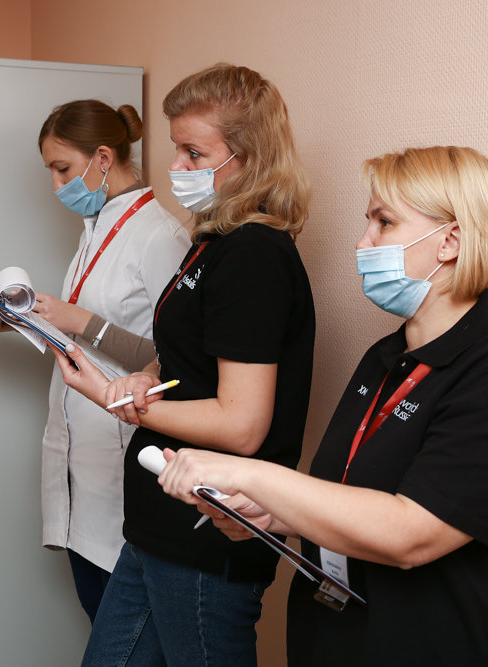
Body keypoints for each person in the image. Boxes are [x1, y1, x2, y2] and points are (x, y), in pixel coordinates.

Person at [153, 146, 488, 665]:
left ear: (450, 240)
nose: (362, 242)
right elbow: (353, 496)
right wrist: (272, 514)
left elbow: (410, 533)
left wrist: (250, 475)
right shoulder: (387, 357)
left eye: (384, 222)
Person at [51, 64, 315, 666]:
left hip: (207, 528)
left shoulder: (255, 255)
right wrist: (150, 376)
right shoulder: (214, 241)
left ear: (250, 158)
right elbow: (190, 359)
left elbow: (242, 424)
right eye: (177, 148)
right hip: (158, 521)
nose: (177, 167)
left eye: (195, 154)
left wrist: (118, 399)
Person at [0, 99, 190, 623]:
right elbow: (85, 340)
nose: (55, 185)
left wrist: (80, 320)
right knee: (99, 617)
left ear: (103, 158)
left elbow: (177, 357)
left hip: (122, 453)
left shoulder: (161, 236)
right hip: (81, 455)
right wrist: (22, 320)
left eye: (62, 169)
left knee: (124, 634)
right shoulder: (94, 228)